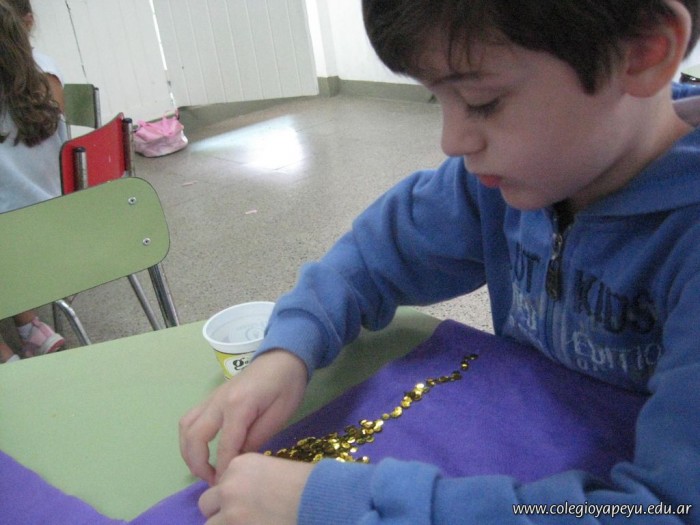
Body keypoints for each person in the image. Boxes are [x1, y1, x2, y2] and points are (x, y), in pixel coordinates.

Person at [180, 0, 700, 523]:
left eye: (483, 101)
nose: (452, 142)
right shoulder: (517, 178)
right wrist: (286, 353)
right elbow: (373, 256)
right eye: (439, 98)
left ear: (643, 52)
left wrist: (342, 507)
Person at [0, 0, 66, 363]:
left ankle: (4, 354)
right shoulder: (44, 89)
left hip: (12, 253)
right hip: (62, 233)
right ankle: (30, 328)